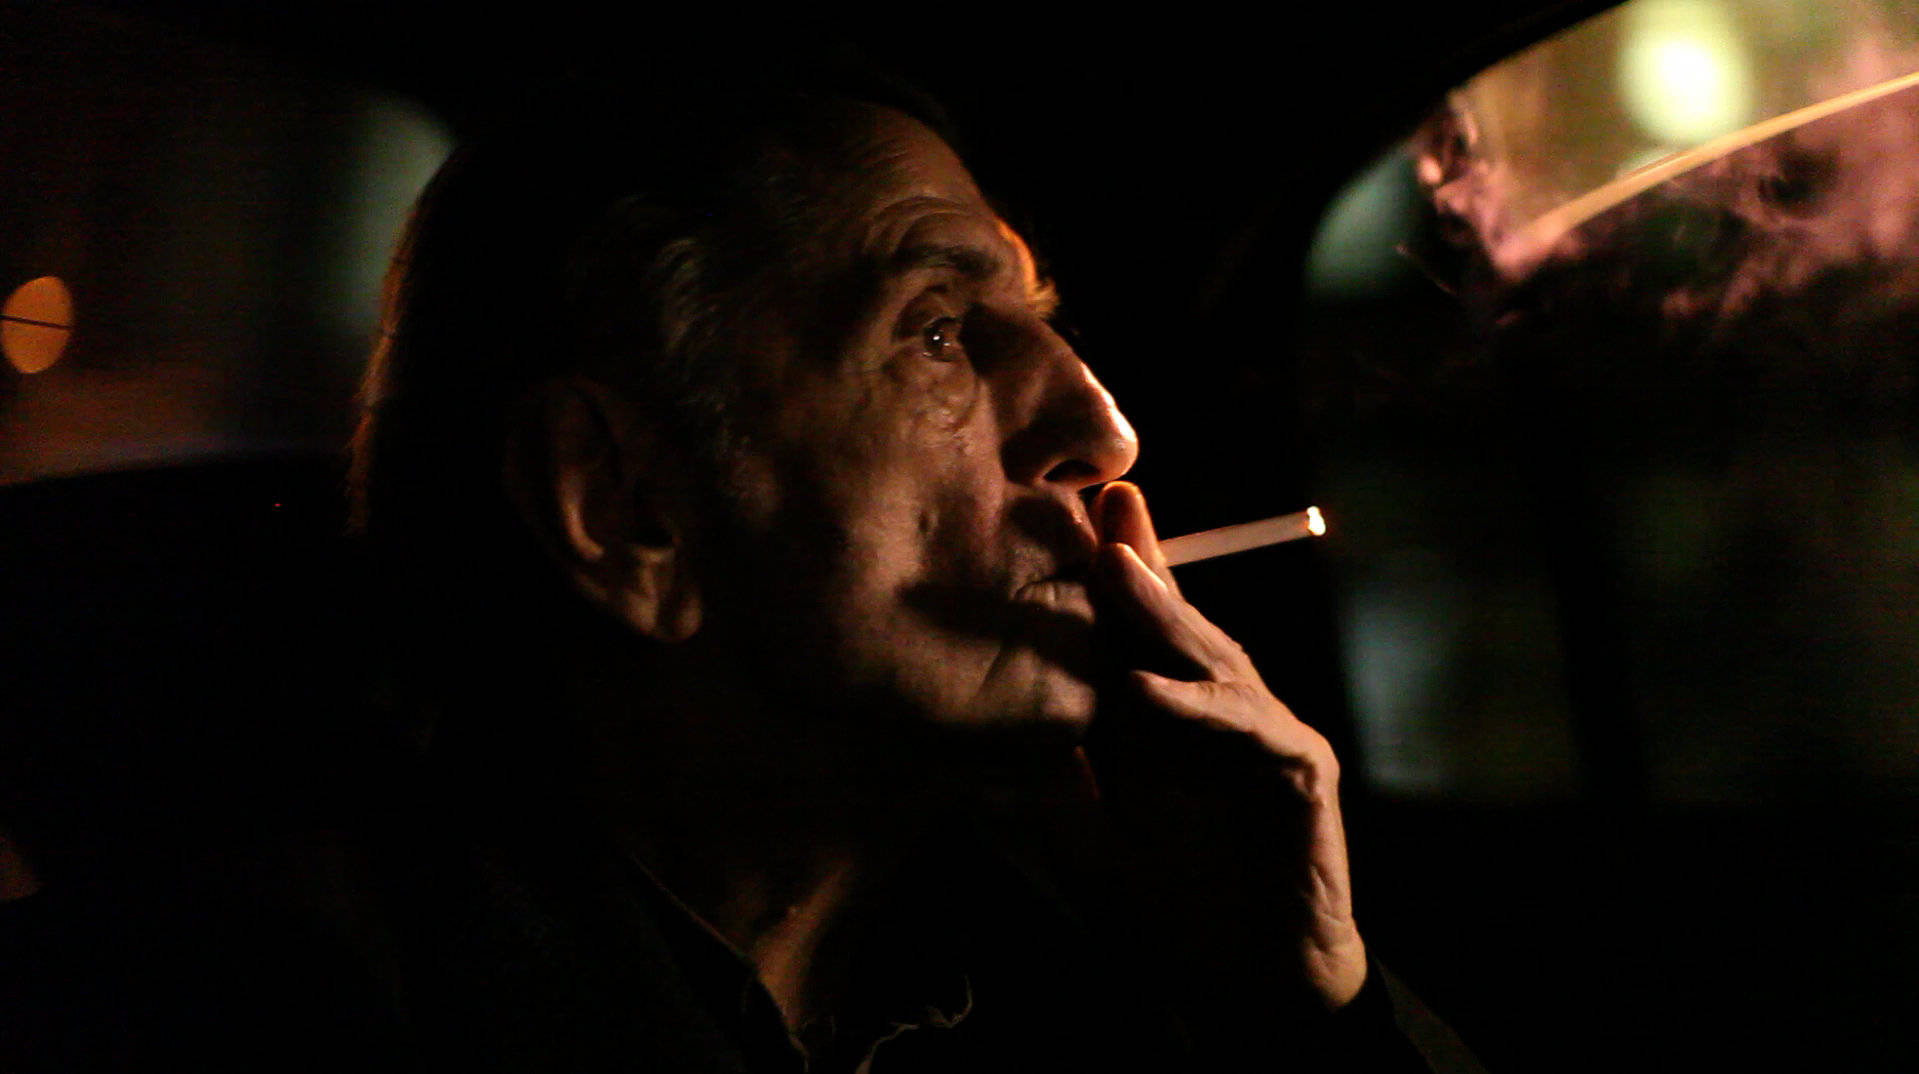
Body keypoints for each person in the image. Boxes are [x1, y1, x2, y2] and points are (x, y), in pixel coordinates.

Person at [345, 71, 1482, 1073]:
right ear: (621, 503)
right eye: (935, 333)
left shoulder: (1075, 950)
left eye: (1037, 320)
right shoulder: (283, 997)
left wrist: (1302, 1014)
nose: (1103, 429)